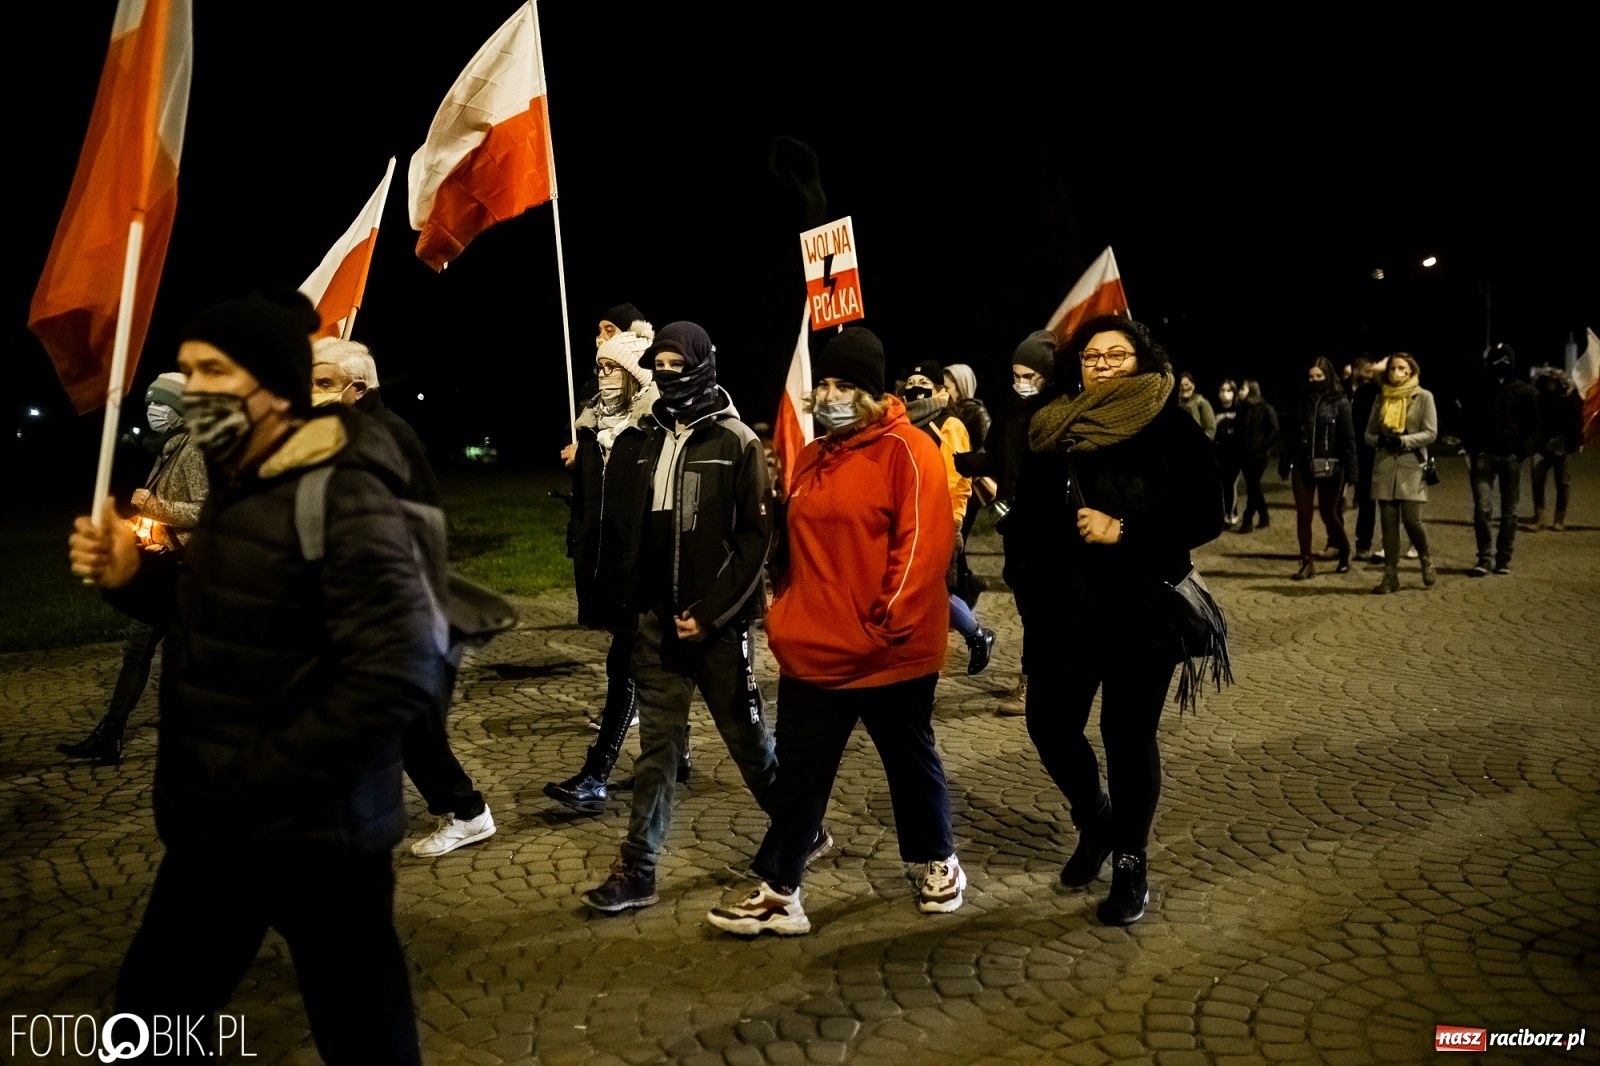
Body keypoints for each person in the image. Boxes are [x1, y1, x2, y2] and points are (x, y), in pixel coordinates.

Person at [67, 296, 442, 1063]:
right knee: (149, 1020)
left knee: (364, 1031)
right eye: (188, 370)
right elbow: (224, 615)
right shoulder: (242, 485)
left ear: (271, 386)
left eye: (213, 372)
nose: (192, 390)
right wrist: (133, 577)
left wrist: (263, 771)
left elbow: (400, 670)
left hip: (318, 834)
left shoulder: (343, 491)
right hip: (218, 832)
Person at [705, 328, 965, 936]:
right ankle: (779, 891)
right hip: (815, 649)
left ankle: (938, 860)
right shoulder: (814, 455)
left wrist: (886, 625)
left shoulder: (911, 450)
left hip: (888, 652)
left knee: (908, 759)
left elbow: (923, 548)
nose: (829, 394)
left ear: (874, 392)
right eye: (823, 383)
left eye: (844, 384)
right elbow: (791, 549)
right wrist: (786, 612)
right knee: (799, 775)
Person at [1008, 314, 1222, 926]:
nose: (1101, 366)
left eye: (1116, 356)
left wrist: (1124, 529)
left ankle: (1131, 861)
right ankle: (1096, 820)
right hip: (1062, 614)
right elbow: (1027, 517)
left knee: (1128, 742)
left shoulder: (1171, 428)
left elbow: (1208, 514)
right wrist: (1027, 575)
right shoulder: (1053, 428)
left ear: (1142, 362)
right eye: (1091, 358)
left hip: (1140, 613)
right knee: (1048, 726)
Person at [582, 322, 778, 914]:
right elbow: (635, 532)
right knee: (658, 749)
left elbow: (755, 539)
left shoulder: (736, 440)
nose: (666, 372)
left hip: (717, 631)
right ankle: (638, 867)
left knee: (748, 743)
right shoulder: (644, 437)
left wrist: (711, 615)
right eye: (657, 364)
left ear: (701, 364)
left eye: (677, 362)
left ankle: (800, 827)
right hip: (654, 627)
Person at [309, 337, 496, 857]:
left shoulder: (385, 435)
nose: (310, 392)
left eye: (322, 382)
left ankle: (467, 811)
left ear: (357, 387)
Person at [57, 373, 209, 765]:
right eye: (150, 404)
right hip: (164, 563)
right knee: (137, 651)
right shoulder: (168, 447)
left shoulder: (195, 450)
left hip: (188, 570)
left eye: (164, 405)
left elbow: (210, 509)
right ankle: (111, 734)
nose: (154, 411)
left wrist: (154, 508)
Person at [546, 327, 667, 813]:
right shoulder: (596, 428)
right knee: (663, 673)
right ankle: (678, 757)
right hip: (614, 566)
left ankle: (597, 773)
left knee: (628, 667)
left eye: (611, 367)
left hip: (651, 572)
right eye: (598, 368)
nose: (602, 377)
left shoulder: (654, 428)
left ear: (636, 374)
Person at [901, 360, 996, 674]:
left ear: (938, 390)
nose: (915, 389)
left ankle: (975, 634)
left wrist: (954, 521)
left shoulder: (948, 422)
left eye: (922, 383)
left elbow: (958, 479)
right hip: (905, 519)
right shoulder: (900, 422)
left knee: (931, 590)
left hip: (936, 519)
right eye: (910, 383)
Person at [992, 333, 1055, 715]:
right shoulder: (1009, 410)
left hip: (1044, 527)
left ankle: (1036, 684)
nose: (1021, 383)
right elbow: (999, 455)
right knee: (1025, 602)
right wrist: (975, 463)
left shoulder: (1057, 413)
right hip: (1011, 523)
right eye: (1016, 375)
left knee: (1040, 607)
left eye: (1029, 375)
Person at [1463, 343, 1540, 575]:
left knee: (1510, 512)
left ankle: (1503, 558)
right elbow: (1467, 421)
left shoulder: (1524, 391)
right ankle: (1484, 558)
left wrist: (1521, 452)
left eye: (1505, 360)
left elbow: (1534, 425)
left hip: (1511, 458)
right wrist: (1473, 450)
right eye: (1496, 361)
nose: (1501, 365)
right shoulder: (1478, 389)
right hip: (1484, 457)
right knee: (1483, 509)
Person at [1364, 353, 1438, 593]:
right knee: (1388, 523)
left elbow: (1430, 433)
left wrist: (1404, 441)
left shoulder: (1424, 396)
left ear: (1411, 371)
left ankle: (1425, 557)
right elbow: (1368, 434)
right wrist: (1380, 440)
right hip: (1385, 466)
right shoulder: (1381, 397)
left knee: (1412, 520)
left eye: (1402, 368)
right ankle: (1390, 575)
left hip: (1411, 465)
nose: (1397, 372)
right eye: (1393, 368)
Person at [1280, 358, 1357, 578]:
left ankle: (1344, 550)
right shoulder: (1302, 401)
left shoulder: (1340, 402)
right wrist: (1285, 462)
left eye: (1319, 376)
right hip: (1303, 465)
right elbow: (1292, 435)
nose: (1314, 380)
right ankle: (1306, 562)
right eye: (1311, 377)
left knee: (1328, 514)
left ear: (1328, 376)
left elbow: (1348, 438)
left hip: (1331, 465)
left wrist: (1352, 472)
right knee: (1303, 514)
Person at [1529, 368, 1583, 532]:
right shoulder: (1538, 401)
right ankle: (1540, 517)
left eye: (1553, 381)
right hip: (1540, 448)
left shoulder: (1566, 402)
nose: (1550, 384)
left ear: (1559, 383)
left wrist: (1574, 445)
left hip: (1563, 448)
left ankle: (1559, 519)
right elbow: (1533, 424)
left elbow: (1575, 425)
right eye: (1547, 381)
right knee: (1537, 482)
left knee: (1563, 484)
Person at [1348, 355, 1383, 559]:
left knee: (1388, 502)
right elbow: (1355, 423)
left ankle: (1387, 543)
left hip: (1382, 451)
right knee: (1366, 500)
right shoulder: (1362, 392)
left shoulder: (1381, 392)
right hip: (1363, 452)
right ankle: (1363, 543)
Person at [1236, 379, 1278, 533]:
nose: (1240, 391)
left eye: (1243, 388)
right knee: (1254, 487)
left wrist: (1262, 446)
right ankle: (1264, 515)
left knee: (1253, 487)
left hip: (1259, 456)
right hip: (1245, 455)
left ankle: (1248, 519)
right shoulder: (1243, 408)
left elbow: (1274, 430)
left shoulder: (1266, 408)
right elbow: (1238, 430)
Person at [1213, 379, 1244, 526]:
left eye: (1229, 390)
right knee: (1222, 485)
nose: (1225, 394)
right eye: (1222, 390)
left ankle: (1229, 515)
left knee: (1231, 484)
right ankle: (1228, 513)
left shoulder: (1241, 409)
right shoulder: (1214, 409)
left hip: (1235, 454)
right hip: (1219, 454)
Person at [1176, 371, 1216, 439]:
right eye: (1181, 385)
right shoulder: (1175, 406)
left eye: (1187, 384)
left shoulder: (1202, 403)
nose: (1184, 388)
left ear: (1193, 386)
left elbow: (1210, 429)